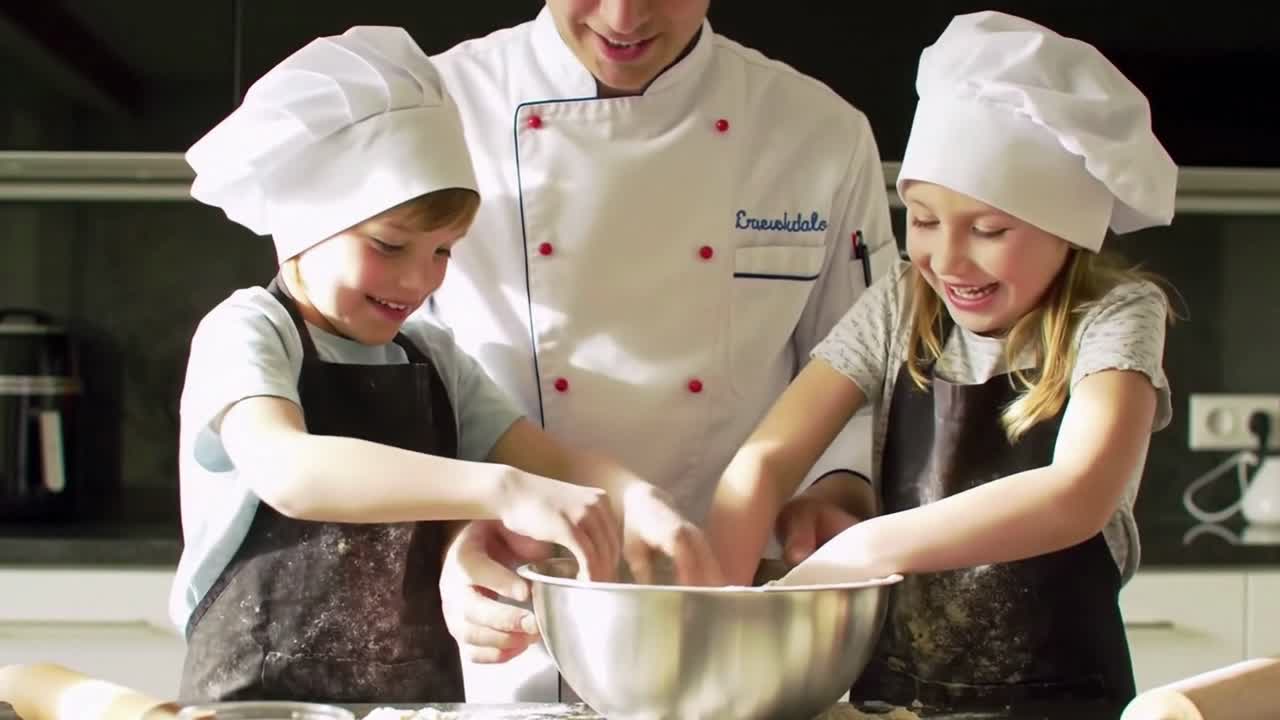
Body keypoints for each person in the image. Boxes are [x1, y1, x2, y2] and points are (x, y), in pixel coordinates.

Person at [168, 25, 671, 703]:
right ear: (306, 220)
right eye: (390, 245)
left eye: (443, 251)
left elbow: (555, 462)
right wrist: (501, 489)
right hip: (257, 701)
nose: (418, 281)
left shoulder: (434, 357)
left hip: (412, 703)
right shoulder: (250, 331)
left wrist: (643, 503)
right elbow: (291, 470)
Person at [427, 0, 899, 700]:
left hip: (743, 612)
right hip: (519, 609)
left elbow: (865, 374)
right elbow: (387, 374)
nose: (624, 16)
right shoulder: (436, 108)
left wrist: (837, 490)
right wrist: (451, 530)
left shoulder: (818, 134)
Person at [708, 10, 1178, 712]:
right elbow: (767, 460)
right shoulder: (900, 306)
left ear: (1068, 227)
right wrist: (714, 620)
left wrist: (866, 549)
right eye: (923, 219)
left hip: (1060, 700)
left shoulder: (1116, 316)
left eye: (989, 229)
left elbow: (1078, 494)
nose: (947, 260)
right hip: (895, 699)